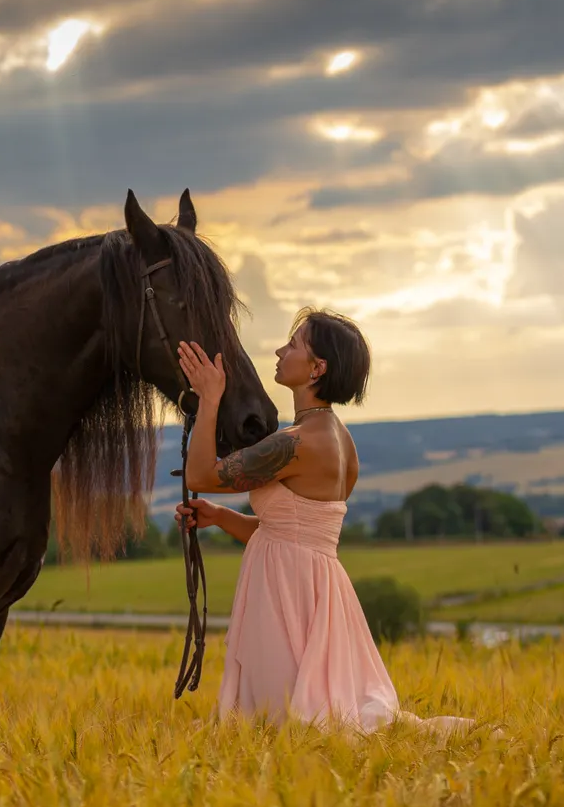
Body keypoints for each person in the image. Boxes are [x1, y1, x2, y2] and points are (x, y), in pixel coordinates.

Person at [174, 309, 474, 736]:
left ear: (317, 368)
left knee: (285, 724)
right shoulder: (342, 441)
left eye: (293, 345)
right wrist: (222, 518)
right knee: (295, 721)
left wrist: (210, 397)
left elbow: (200, 475)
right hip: (313, 588)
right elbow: (292, 532)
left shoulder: (294, 444)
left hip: (286, 599)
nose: (279, 351)